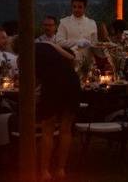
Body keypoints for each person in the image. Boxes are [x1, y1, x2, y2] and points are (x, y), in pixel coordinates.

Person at [35, 37, 80, 182]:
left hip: (52, 84)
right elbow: (71, 57)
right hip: (72, 81)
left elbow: (31, 81)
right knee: (66, 128)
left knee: (47, 128)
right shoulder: (48, 44)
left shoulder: (25, 54)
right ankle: (61, 169)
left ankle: (44, 171)